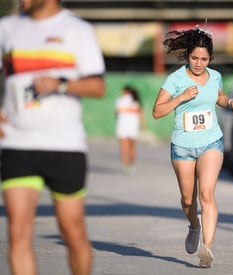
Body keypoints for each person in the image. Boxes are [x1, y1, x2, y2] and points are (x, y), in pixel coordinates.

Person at [0, 1, 105, 274]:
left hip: (64, 144)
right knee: (18, 231)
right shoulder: (7, 28)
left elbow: (97, 86)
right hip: (17, 143)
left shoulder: (76, 29)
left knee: (72, 232)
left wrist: (61, 83)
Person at [152, 24, 233, 268]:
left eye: (204, 59)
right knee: (187, 200)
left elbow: (220, 97)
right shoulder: (176, 79)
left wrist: (230, 102)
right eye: (195, 58)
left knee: (207, 194)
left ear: (210, 58)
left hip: (211, 141)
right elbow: (157, 112)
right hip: (182, 146)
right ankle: (194, 226)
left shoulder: (215, 76)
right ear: (188, 55)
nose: (199, 63)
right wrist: (180, 97)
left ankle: (208, 248)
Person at [115, 85, 145, 175]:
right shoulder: (136, 101)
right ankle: (131, 165)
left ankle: (126, 165)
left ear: (126, 91)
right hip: (133, 127)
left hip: (122, 126)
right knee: (132, 148)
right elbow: (141, 114)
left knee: (124, 148)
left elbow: (116, 113)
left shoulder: (120, 100)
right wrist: (143, 125)